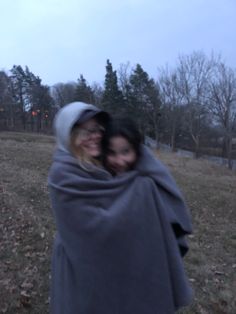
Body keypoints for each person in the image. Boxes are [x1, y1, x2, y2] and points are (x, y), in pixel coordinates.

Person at [48, 102, 193, 314]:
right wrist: (142, 191)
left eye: (97, 129)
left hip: (119, 262)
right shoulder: (63, 174)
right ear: (67, 136)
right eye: (83, 131)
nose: (94, 136)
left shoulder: (102, 158)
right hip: (81, 263)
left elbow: (146, 165)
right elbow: (95, 227)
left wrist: (131, 145)